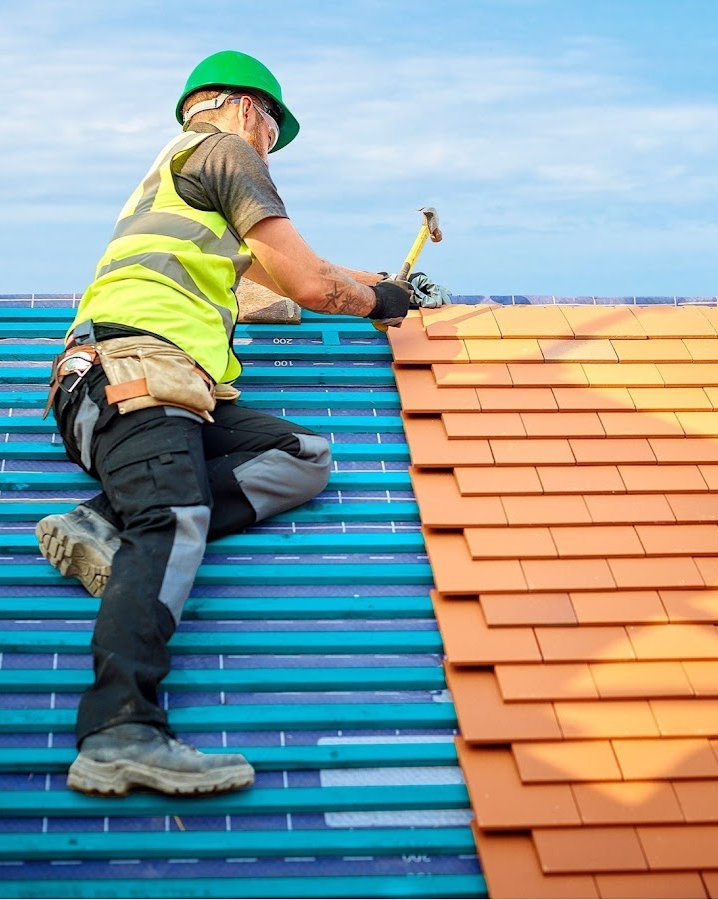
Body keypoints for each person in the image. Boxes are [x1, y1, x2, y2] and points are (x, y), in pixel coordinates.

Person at [35, 49, 451, 799]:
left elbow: (288, 273)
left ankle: (101, 520)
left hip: (162, 386)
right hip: (136, 371)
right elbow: (307, 282)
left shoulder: (183, 185)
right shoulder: (224, 152)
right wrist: (387, 306)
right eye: (269, 123)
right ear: (229, 103)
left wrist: (385, 284)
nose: (268, 142)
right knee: (173, 518)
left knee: (301, 457)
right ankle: (119, 729)